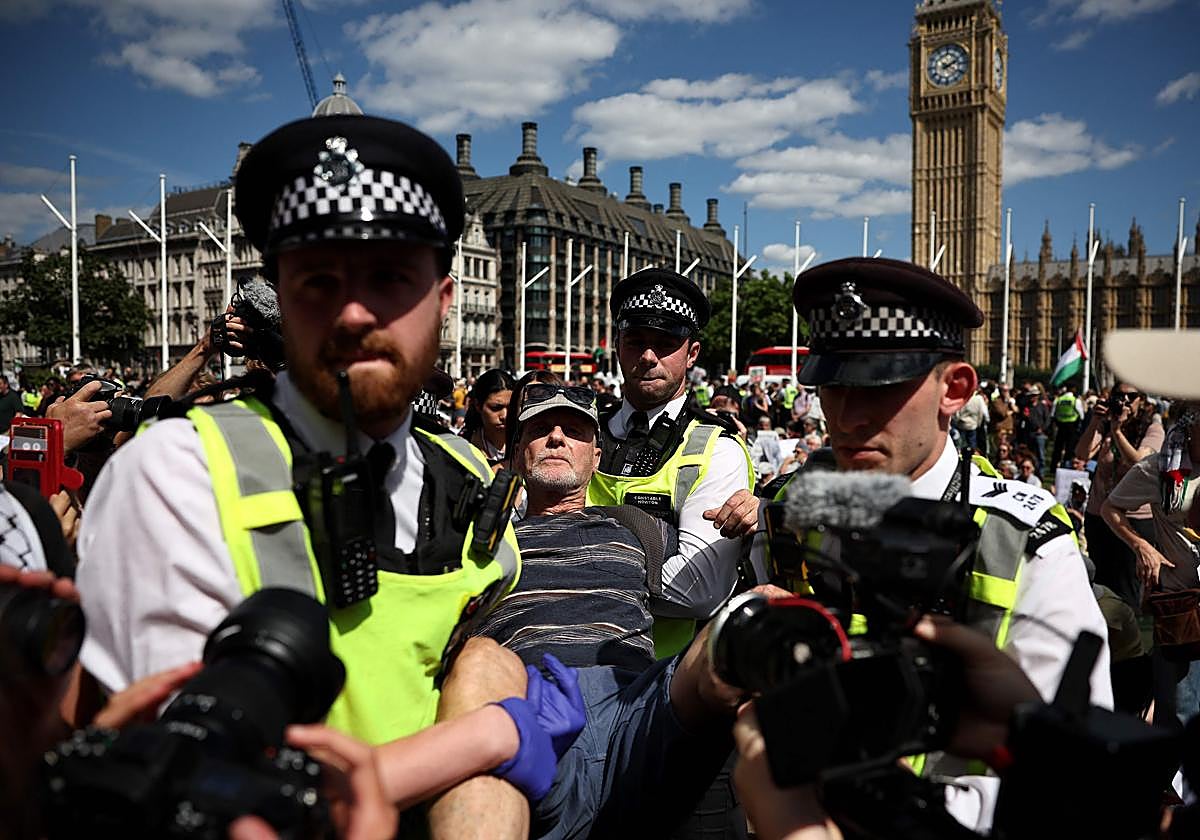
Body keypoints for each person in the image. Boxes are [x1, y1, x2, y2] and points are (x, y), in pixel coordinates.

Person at [75, 115, 523, 781]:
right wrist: (487, 738)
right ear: (280, 295)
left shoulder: (463, 469)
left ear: (445, 300)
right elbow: (193, 779)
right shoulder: (175, 475)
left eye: (390, 277)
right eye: (318, 280)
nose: (353, 313)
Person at [782, 256, 1110, 830]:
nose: (847, 417)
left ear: (954, 389)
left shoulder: (1028, 543)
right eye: (830, 386)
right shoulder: (801, 505)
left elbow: (1077, 782)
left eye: (877, 387)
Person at [477, 380, 714, 672]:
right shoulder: (485, 543)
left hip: (628, 702)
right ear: (516, 455)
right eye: (540, 430)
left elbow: (708, 579)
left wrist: (750, 511)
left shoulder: (636, 526)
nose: (556, 438)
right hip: (523, 702)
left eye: (573, 431)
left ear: (595, 459)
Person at [586, 267, 755, 659]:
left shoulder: (717, 447)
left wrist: (566, 566)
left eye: (664, 344)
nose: (647, 356)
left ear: (692, 353)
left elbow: (695, 589)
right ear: (617, 345)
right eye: (635, 341)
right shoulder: (579, 429)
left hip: (661, 680)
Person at [1075, 382, 1164, 610]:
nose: (1124, 401)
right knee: (1101, 587)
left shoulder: (1152, 429)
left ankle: (1127, 640)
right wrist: (1096, 421)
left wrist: (1117, 431)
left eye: (1131, 396)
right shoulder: (1106, 425)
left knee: (1126, 589)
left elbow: (1139, 463)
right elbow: (1082, 454)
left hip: (1134, 519)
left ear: (1141, 400)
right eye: (1119, 395)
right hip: (1099, 516)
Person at [460, 368, 515, 469]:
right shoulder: (463, 447)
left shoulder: (526, 442)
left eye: (511, 408)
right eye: (496, 408)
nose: (505, 415)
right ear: (478, 405)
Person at [1051, 382, 1084, 470]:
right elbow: (1081, 415)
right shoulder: (1075, 400)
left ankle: (1054, 466)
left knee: (1058, 447)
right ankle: (1067, 465)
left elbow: (1053, 414)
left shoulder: (1059, 399)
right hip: (1072, 426)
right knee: (1070, 447)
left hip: (1060, 426)